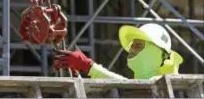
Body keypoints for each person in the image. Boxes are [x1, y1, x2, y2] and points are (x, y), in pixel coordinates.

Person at [52, 23, 184, 80]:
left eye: (138, 45)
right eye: (132, 45)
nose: (131, 50)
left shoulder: (162, 83)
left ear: (154, 53)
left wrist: (87, 65)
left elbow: (125, 85)